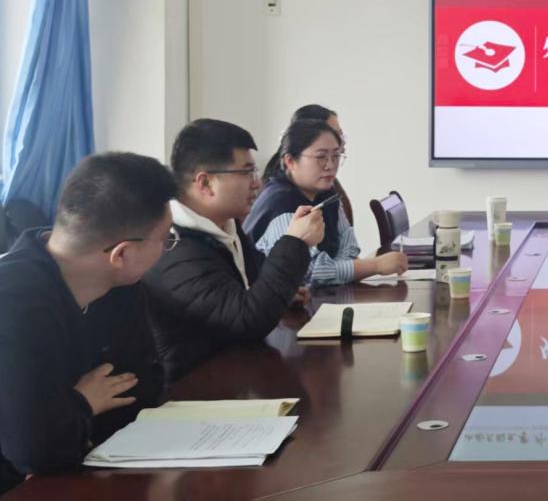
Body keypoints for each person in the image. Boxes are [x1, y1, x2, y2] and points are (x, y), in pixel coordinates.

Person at [0, 153, 175, 495]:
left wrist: (69, 414)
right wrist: (84, 402)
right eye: (166, 239)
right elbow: (34, 450)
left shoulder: (120, 286)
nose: (167, 250)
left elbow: (142, 388)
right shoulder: (13, 302)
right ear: (122, 254)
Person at [142, 119, 326, 381]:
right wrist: (295, 242)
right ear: (205, 183)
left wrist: (280, 294)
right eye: (246, 173)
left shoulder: (225, 222)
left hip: (237, 370)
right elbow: (246, 321)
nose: (257, 183)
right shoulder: (173, 247)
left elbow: (252, 281)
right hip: (196, 389)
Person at [246, 119, 407, 286]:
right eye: (321, 157)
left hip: (326, 295)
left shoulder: (326, 193)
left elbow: (349, 246)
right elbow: (311, 272)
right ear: (290, 161)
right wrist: (375, 266)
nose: (330, 165)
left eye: (336, 156)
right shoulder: (280, 203)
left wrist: (336, 270)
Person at [289, 104, 353, 224]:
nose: (341, 141)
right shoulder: (286, 198)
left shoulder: (328, 186)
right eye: (335, 134)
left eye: (341, 134)